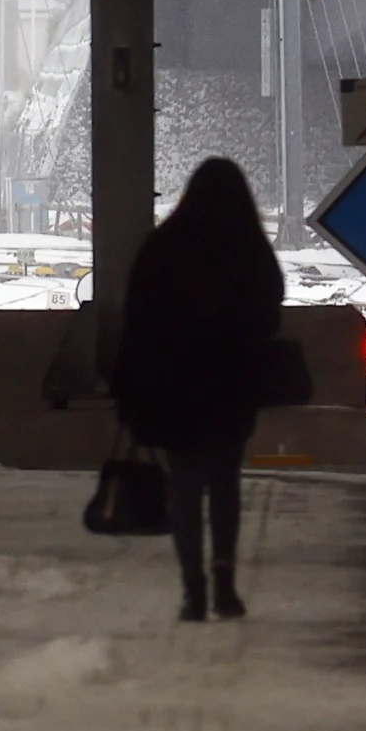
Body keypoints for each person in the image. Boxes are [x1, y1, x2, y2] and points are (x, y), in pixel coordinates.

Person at [112, 158, 282, 623]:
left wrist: (130, 386)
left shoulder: (161, 248)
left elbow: (136, 322)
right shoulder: (248, 249)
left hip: (174, 388)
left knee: (184, 486)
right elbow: (271, 314)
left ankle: (194, 591)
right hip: (231, 389)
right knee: (225, 482)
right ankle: (225, 582)